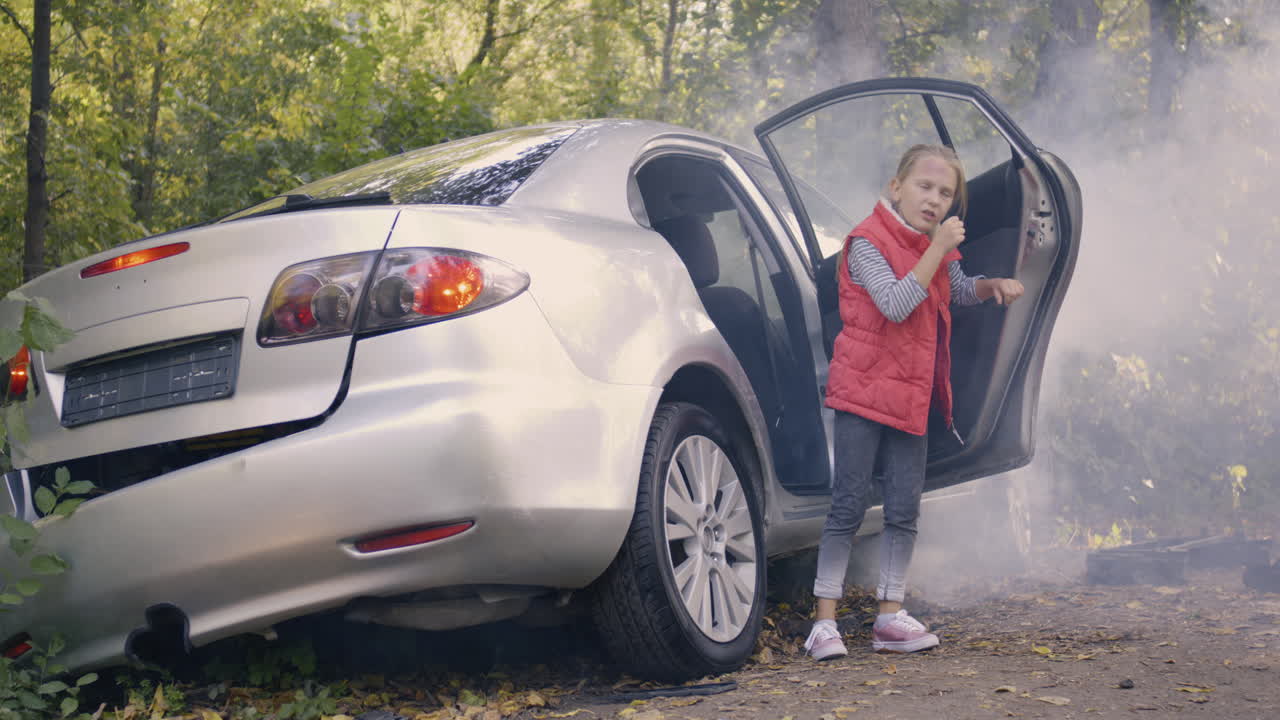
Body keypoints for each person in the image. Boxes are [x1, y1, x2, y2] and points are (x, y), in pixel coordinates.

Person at [803, 144, 1025, 660]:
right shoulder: (864, 243)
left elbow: (951, 288)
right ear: (896, 187)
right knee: (849, 507)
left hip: (910, 394)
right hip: (861, 394)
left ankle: (889, 618)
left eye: (945, 194)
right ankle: (824, 623)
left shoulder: (933, 248)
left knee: (904, 512)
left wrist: (989, 285)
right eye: (925, 187)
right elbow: (898, 303)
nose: (934, 200)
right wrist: (938, 247)